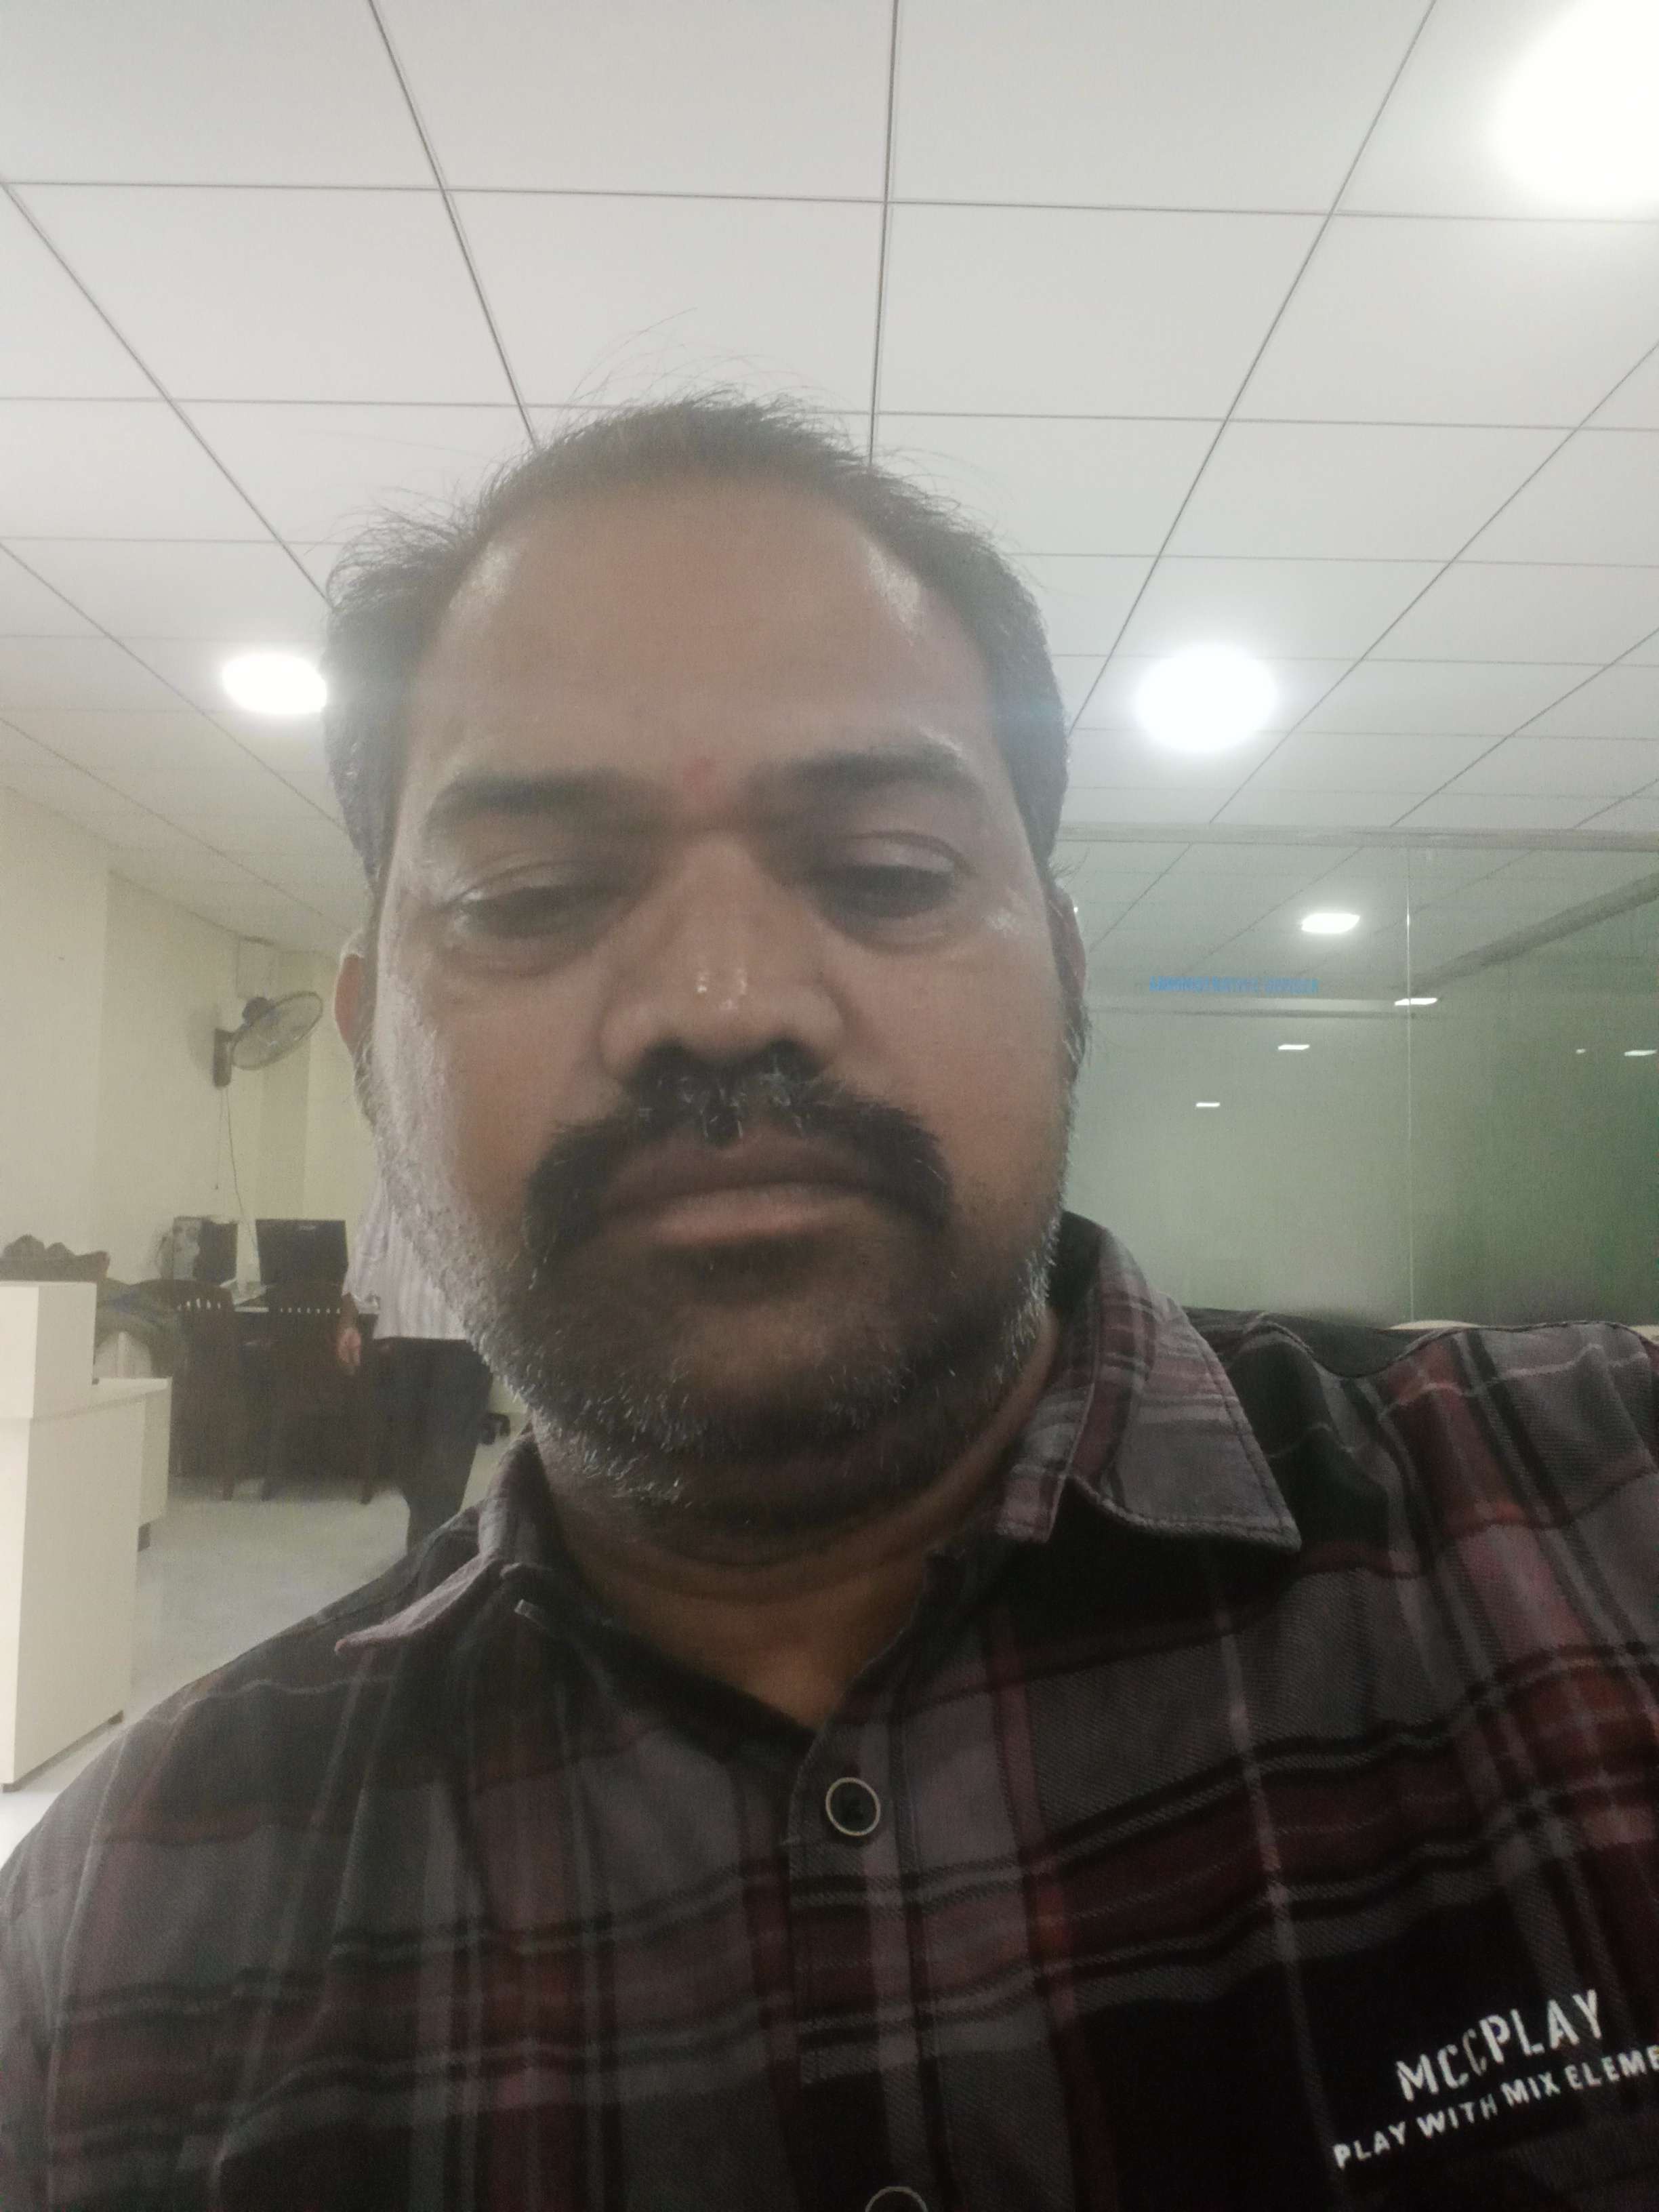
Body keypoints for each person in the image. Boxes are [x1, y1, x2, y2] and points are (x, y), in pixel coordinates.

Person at [2, 396, 1656, 2211]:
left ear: (1067, 985)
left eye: (883, 871)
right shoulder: (122, 1926)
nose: (722, 1002)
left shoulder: (1600, 1519)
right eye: (534, 894)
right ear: (367, 1047)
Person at [338, 1168, 493, 1551]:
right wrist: (349, 1319)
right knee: (404, 1453)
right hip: (404, 1329)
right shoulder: (396, 1159)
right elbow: (371, 1237)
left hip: (466, 1330)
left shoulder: (485, 1148)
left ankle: (425, 1560)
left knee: (446, 1456)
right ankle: (432, 1545)